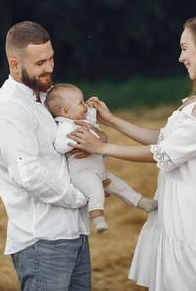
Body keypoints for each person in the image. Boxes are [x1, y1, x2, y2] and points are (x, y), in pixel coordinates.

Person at [68, 16, 196, 291]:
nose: (181, 58)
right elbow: (163, 138)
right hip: (174, 202)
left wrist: (102, 148)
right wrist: (114, 121)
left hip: (191, 210)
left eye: (185, 48)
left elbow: (164, 155)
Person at [0, 21, 107, 291]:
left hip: (74, 234)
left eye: (51, 58)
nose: (50, 67)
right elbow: (28, 173)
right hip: (42, 241)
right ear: (15, 65)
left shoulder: (45, 99)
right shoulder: (10, 108)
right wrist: (81, 197)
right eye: (40, 63)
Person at [46, 83, 157, 234]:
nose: (84, 105)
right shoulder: (66, 126)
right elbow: (59, 145)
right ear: (65, 112)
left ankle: (142, 203)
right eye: (81, 103)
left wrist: (93, 106)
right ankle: (98, 220)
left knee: (120, 186)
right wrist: (74, 143)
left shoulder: (82, 121)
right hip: (83, 172)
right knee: (96, 192)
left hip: (99, 170)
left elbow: (96, 128)